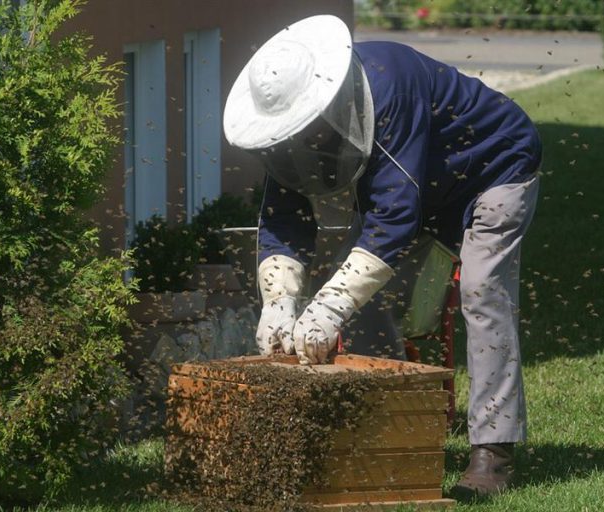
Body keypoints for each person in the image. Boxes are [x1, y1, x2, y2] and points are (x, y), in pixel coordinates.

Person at [222, 15, 541, 497]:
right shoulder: (293, 135)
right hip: (422, 184)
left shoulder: (390, 84)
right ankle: (389, 430)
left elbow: (393, 218)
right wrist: (278, 302)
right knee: (362, 300)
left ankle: (493, 452)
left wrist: (326, 307)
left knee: (482, 291)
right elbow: (285, 221)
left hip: (495, 167)